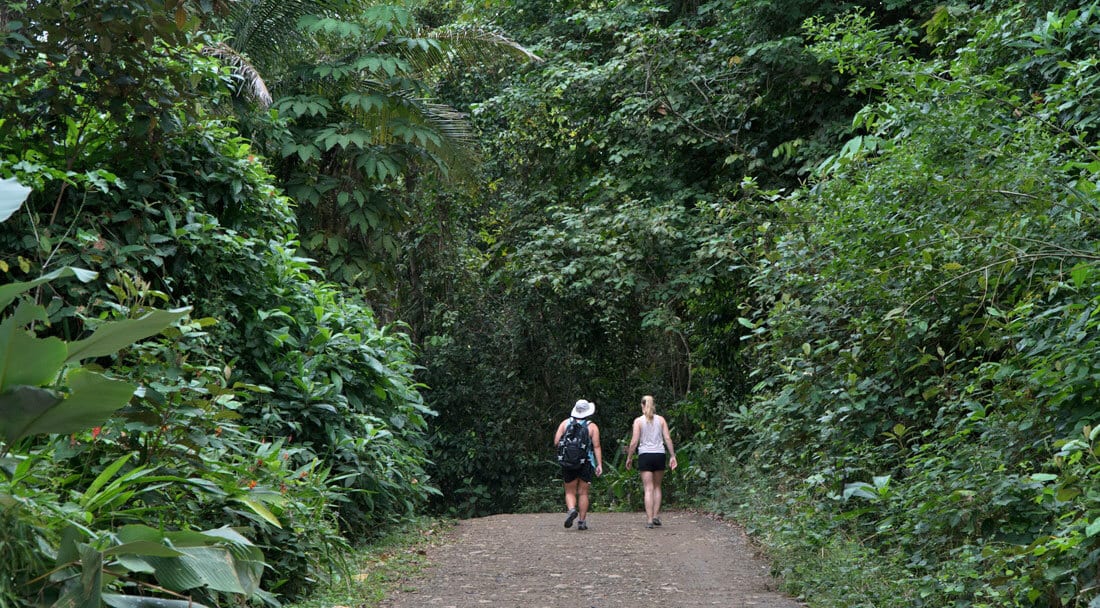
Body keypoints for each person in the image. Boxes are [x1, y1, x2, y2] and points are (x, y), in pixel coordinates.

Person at [625, 395, 677, 528]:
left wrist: (629, 457)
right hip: (659, 454)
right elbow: (667, 438)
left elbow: (634, 441)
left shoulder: (638, 421)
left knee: (648, 488)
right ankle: (655, 515)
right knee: (657, 487)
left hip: (645, 455)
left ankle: (649, 520)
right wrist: (672, 456)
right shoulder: (661, 420)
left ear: (642, 406)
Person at [553, 399, 603, 530]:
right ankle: (582, 521)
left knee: (569, 491)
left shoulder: (565, 423)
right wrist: (599, 464)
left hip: (568, 462)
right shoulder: (592, 426)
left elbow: (556, 441)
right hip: (586, 462)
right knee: (583, 493)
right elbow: (596, 446)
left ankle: (571, 510)